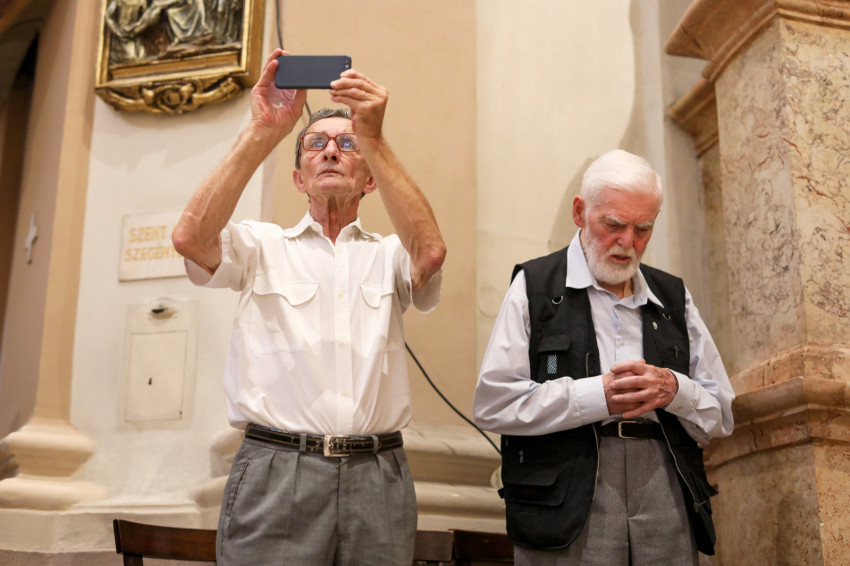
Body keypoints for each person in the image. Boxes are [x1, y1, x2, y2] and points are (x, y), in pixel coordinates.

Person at [172, 49, 446, 565]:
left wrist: (375, 137)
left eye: (348, 144)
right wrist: (263, 131)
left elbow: (430, 253)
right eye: (315, 144)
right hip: (278, 470)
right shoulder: (260, 247)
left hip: (377, 475)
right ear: (299, 179)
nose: (331, 152)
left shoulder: (390, 254)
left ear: (370, 179)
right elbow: (190, 238)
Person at [473, 149, 734, 565]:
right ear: (580, 212)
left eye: (643, 229)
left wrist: (675, 390)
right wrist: (600, 396)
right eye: (613, 225)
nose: (628, 243)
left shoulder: (672, 297)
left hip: (665, 483)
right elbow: (494, 403)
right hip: (567, 489)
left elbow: (721, 414)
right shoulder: (535, 286)